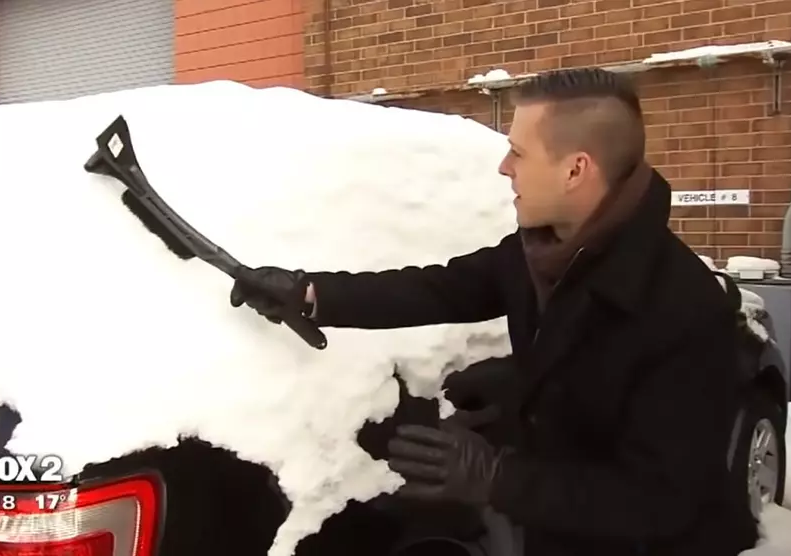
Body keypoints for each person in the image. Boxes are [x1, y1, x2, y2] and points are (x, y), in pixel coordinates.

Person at [229, 68, 760, 556]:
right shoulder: (543, 249)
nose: (504, 167)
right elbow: (438, 289)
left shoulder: (682, 309)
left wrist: (497, 476)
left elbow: (661, 500)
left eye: (519, 153)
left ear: (576, 170)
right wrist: (310, 295)